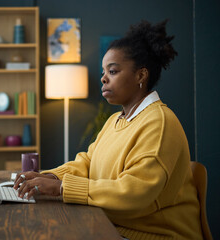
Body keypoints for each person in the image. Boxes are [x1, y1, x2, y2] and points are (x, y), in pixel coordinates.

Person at [14, 20, 203, 240]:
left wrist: (60, 188)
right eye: (103, 71)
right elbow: (87, 162)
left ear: (141, 75)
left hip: (149, 235)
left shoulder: (159, 124)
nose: (103, 78)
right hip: (110, 226)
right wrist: (49, 176)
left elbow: (134, 192)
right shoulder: (116, 120)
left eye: (112, 71)